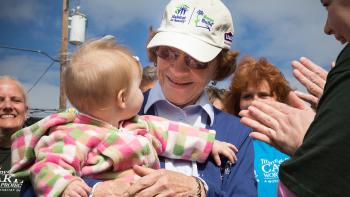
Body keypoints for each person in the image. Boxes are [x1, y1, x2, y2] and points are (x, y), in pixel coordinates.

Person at [11, 39, 237, 197]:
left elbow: (173, 134)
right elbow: (49, 165)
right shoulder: (71, 134)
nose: (143, 92)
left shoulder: (139, 125)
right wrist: (65, 186)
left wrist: (209, 144)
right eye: (137, 88)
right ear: (122, 98)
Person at [110, 0, 256, 196]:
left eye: (196, 61)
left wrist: (200, 189)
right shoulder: (112, 111)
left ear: (218, 67)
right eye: (167, 53)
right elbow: (68, 164)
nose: (177, 71)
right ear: (155, 53)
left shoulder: (237, 133)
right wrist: (98, 190)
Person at [239, 0, 350, 196]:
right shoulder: (234, 142)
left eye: (326, 4)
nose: (326, 28)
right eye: (247, 96)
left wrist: (317, 143)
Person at [224, 56, 291, 197]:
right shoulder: (231, 142)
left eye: (263, 95)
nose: (255, 102)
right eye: (247, 96)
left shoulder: (297, 139)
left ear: (278, 98)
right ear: (237, 104)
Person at [0, 76, 28, 197]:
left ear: (26, 112)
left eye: (16, 100)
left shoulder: (43, 153)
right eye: (0, 100)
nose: (7, 106)